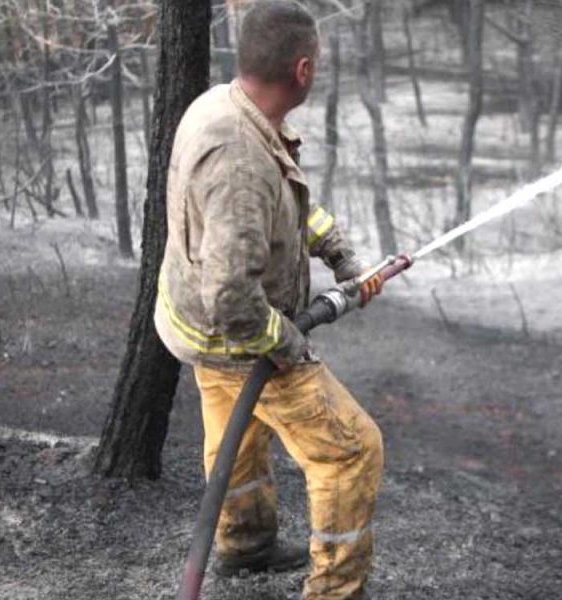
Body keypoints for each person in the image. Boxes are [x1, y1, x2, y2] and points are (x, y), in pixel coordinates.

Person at [153, 2, 386, 598]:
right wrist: (289, 343)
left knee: (237, 434)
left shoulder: (228, 108)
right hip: (236, 334)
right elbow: (234, 297)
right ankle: (335, 590)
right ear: (303, 69)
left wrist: (342, 259)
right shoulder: (238, 160)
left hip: (197, 328)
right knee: (352, 451)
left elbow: (289, 206)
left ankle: (244, 544)